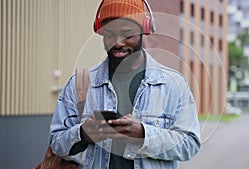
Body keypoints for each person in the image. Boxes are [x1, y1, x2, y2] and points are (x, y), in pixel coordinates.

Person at [49, 0, 201, 168]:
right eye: (110, 34)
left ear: (144, 30)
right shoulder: (80, 83)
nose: (118, 43)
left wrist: (143, 134)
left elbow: (190, 145)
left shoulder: (173, 85)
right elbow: (56, 143)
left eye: (127, 34)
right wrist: (83, 134)